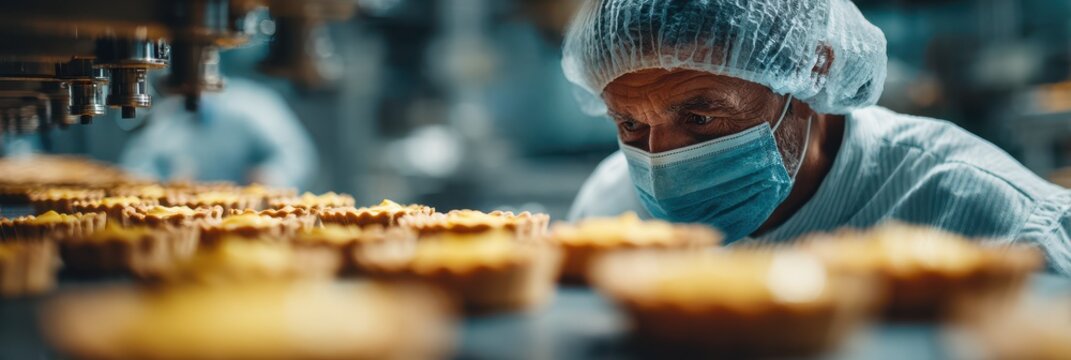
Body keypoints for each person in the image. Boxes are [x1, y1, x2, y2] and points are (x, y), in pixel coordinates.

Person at [562, 0, 1071, 274]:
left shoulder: (992, 226)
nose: (661, 162)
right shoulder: (610, 214)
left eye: (700, 118)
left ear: (811, 70)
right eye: (630, 123)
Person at [121, 78, 317, 189]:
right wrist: (162, 184)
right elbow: (134, 168)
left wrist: (273, 176)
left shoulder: (253, 106)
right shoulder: (165, 120)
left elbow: (297, 153)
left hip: (254, 222)